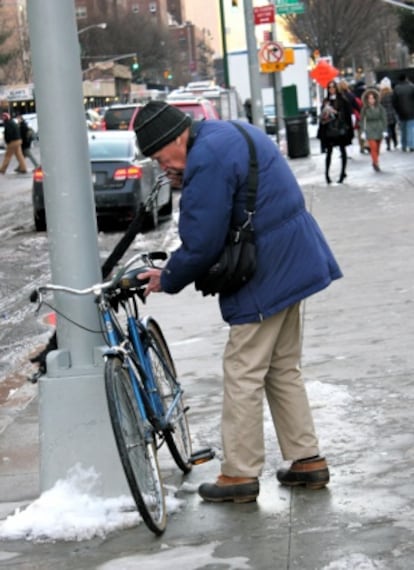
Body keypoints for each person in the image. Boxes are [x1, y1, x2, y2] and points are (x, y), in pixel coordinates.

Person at [134, 101, 342, 503]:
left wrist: (170, 278)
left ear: (177, 137)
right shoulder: (229, 132)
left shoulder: (206, 158)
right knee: (282, 367)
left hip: (264, 271)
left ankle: (240, 474)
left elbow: (202, 240)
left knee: (242, 371)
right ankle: (306, 459)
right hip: (292, 258)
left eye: (163, 158)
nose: (165, 167)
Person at [317, 81, 353, 184]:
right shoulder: (326, 101)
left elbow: (346, 115)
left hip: (340, 129)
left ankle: (342, 173)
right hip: (329, 129)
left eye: (333, 87)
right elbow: (322, 117)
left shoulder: (342, 100)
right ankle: (327, 174)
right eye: (329, 88)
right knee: (329, 152)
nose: (331, 89)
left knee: (343, 151)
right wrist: (326, 112)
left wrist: (336, 113)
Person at [360, 88, 387, 172]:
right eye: (369, 98)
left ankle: (375, 161)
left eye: (372, 98)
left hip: (379, 128)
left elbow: (384, 118)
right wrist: (363, 131)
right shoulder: (364, 109)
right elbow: (361, 120)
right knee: (373, 147)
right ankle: (376, 163)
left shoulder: (380, 107)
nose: (371, 100)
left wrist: (384, 130)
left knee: (378, 148)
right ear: (366, 99)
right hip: (369, 128)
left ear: (375, 98)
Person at [392, 73, 414, 152]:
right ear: (406, 78)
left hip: (400, 112)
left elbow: (394, 101)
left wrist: (397, 110)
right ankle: (411, 145)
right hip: (412, 112)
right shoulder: (412, 87)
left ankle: (404, 145)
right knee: (411, 129)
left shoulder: (396, 88)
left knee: (403, 129)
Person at [379, 79, 398, 151]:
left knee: (387, 131)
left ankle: (388, 145)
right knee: (393, 130)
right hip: (392, 114)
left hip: (384, 115)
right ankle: (395, 142)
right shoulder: (392, 93)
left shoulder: (380, 95)